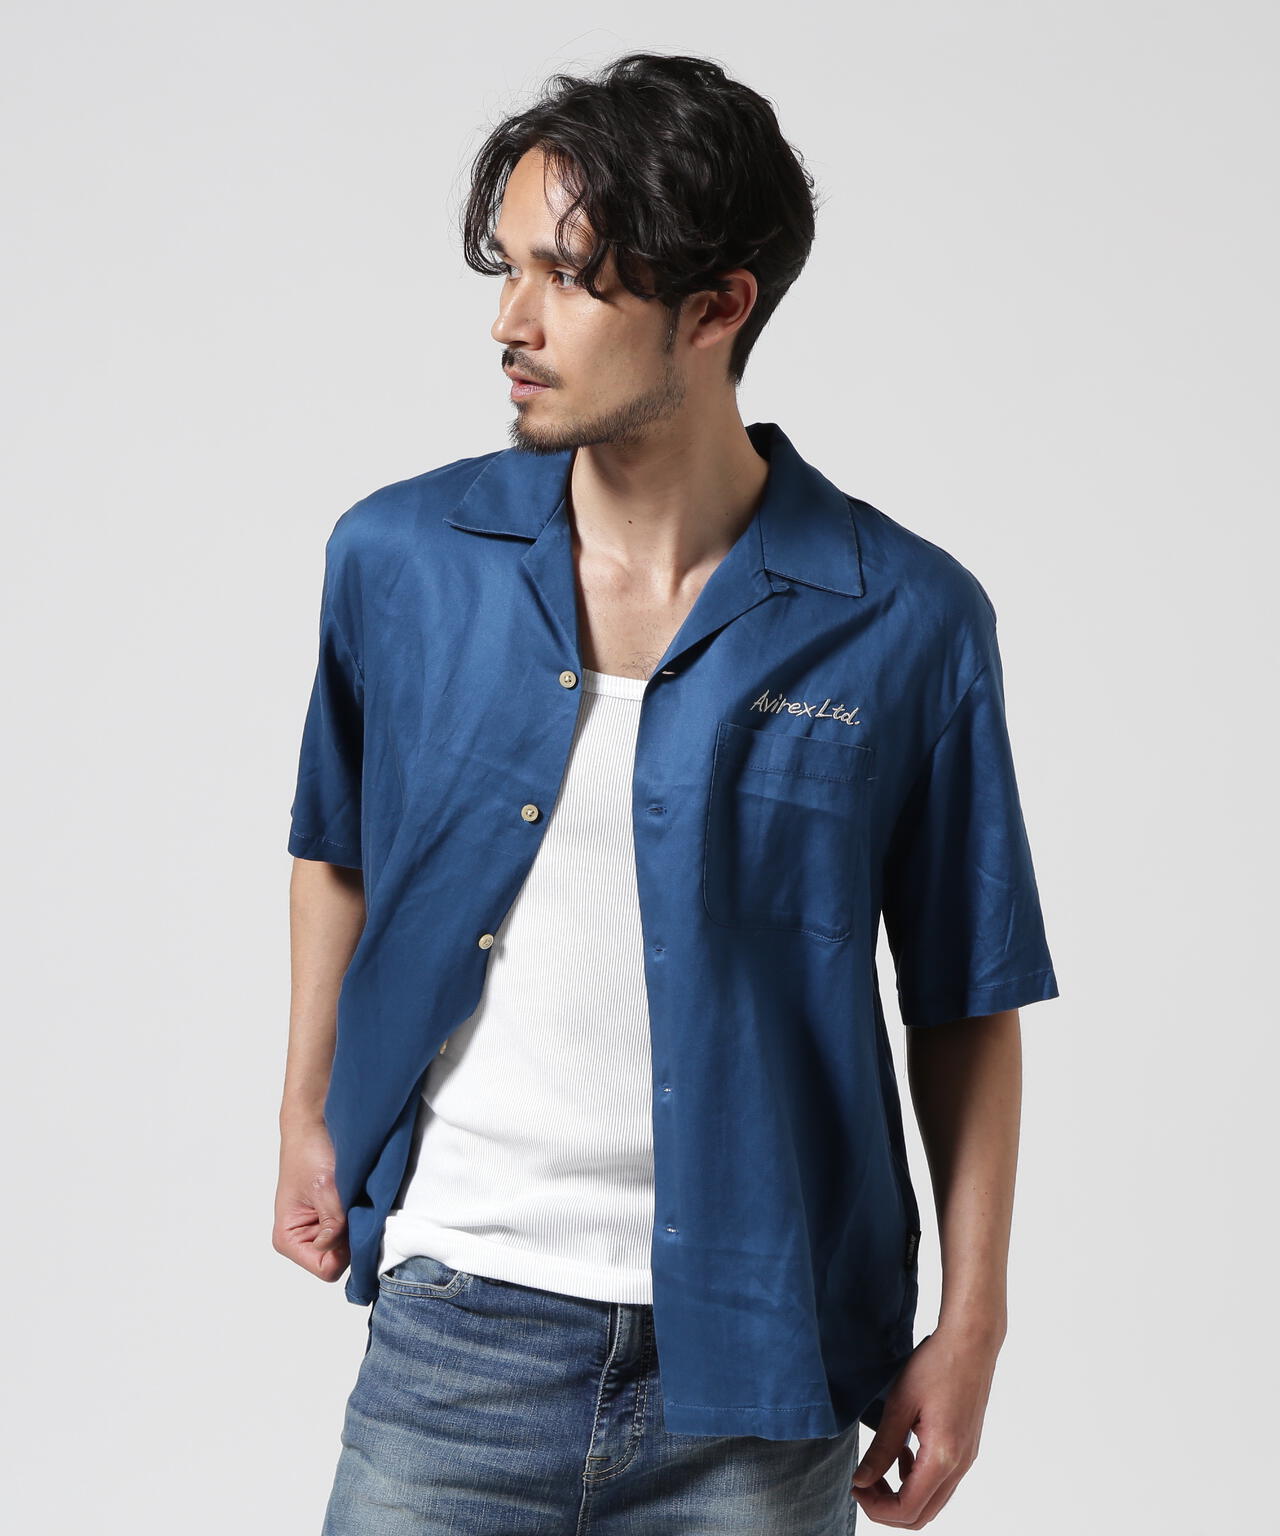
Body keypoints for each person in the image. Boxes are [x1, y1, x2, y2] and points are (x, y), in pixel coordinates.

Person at [274, 51, 1060, 1534]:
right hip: (457, 1336)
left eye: (569, 280)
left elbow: (966, 992)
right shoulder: (398, 560)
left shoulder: (907, 618)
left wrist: (975, 1323)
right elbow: (337, 843)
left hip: (762, 1373)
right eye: (508, 268)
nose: (512, 323)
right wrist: (304, 1112)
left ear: (716, 308)